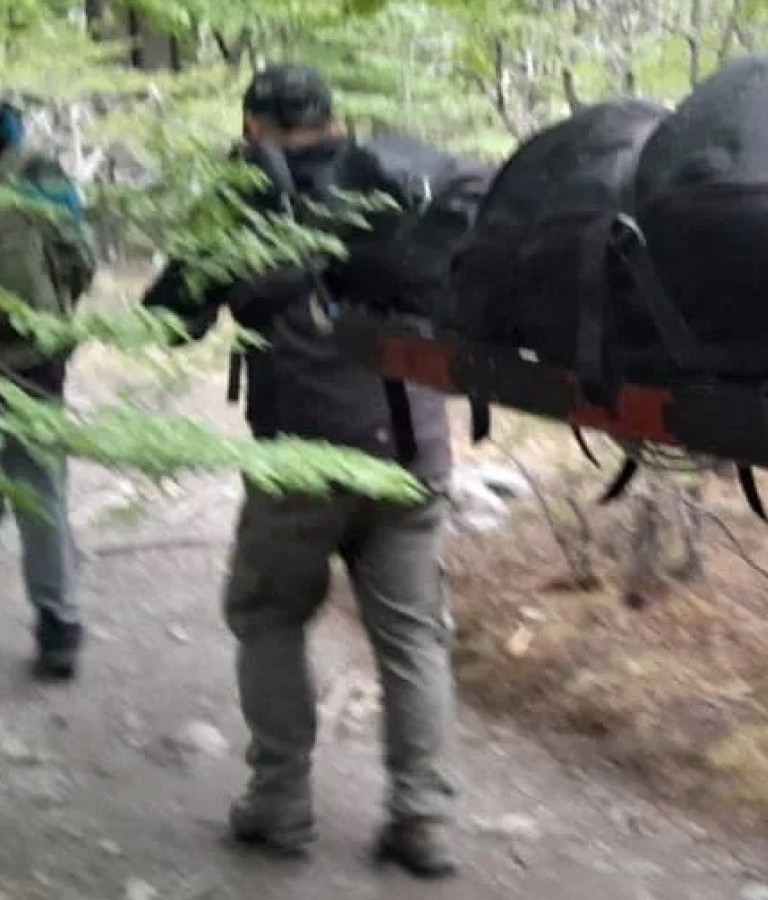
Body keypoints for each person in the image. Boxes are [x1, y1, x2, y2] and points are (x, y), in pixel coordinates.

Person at [140, 64, 460, 879]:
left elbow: (172, 320)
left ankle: (281, 805)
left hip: (299, 452)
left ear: (253, 126)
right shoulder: (399, 182)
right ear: (335, 119)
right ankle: (422, 818)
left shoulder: (243, 193)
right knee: (413, 635)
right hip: (412, 444)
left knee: (268, 611)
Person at [0, 98, 95, 681]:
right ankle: (57, 625)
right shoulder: (39, 173)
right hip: (34, 358)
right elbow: (80, 256)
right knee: (40, 489)